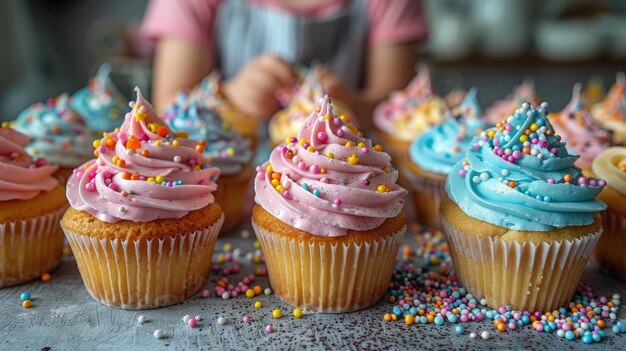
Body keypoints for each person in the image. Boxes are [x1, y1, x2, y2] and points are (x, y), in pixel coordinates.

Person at [141, 0, 426, 128]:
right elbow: (168, 107)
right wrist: (227, 99)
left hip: (349, 183)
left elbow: (399, 113)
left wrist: (351, 104)